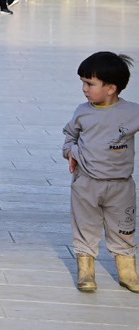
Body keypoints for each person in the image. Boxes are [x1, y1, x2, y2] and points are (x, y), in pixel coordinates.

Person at [63, 51, 139, 293]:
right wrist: (70, 152)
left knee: (124, 227)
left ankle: (127, 270)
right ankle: (86, 269)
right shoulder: (83, 112)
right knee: (85, 226)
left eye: (90, 84)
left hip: (121, 185)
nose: (84, 89)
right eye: (83, 83)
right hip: (86, 183)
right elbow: (69, 136)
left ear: (111, 88)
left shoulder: (132, 112)